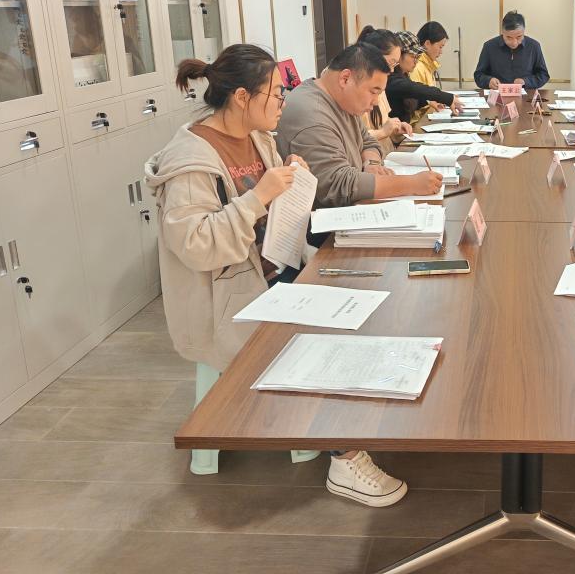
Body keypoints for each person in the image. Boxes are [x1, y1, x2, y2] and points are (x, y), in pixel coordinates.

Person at [145, 44, 408, 507]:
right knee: (329, 336)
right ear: (242, 97)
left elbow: (278, 217)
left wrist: (292, 180)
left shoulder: (259, 138)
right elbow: (197, 245)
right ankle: (344, 457)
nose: (283, 103)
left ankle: (354, 424)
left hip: (276, 273)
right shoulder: (190, 159)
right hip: (229, 300)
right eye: (275, 94)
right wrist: (260, 195)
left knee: (372, 289)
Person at [275, 42, 442, 207]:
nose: (375, 102)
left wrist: (371, 163)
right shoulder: (312, 115)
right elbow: (340, 185)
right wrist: (411, 184)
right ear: (345, 78)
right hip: (327, 220)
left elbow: (366, 140)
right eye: (373, 92)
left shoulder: (341, 99)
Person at [356, 26, 412, 153]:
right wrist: (383, 132)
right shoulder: (356, 87)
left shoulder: (380, 83)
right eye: (390, 63)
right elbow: (355, 138)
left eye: (395, 65)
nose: (391, 70)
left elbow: (384, 125)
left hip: (386, 154)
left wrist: (395, 130)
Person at [388, 30, 461, 124]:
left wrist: (428, 102)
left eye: (417, 57)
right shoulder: (391, 78)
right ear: (398, 55)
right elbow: (413, 89)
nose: (416, 61)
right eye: (412, 56)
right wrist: (447, 98)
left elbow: (412, 97)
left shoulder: (404, 75)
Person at [473, 10, 550, 90]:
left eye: (519, 37)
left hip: (526, 95)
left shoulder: (534, 46)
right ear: (502, 32)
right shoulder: (489, 46)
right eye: (509, 37)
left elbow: (543, 75)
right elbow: (478, 75)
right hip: (497, 95)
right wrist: (488, 81)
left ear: (524, 31)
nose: (514, 42)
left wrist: (526, 81)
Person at [413, 20, 449, 88]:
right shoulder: (416, 67)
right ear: (427, 44)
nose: (441, 52)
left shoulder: (428, 66)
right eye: (440, 47)